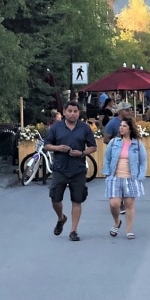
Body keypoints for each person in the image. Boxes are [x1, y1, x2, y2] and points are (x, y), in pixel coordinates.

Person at [44, 101, 98, 242]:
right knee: (55, 199)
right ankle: (61, 218)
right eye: (70, 111)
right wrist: (58, 148)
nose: (73, 113)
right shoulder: (56, 128)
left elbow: (93, 147)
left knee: (77, 200)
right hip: (60, 168)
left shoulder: (84, 128)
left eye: (75, 111)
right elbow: (46, 145)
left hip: (78, 169)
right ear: (64, 112)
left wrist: (81, 153)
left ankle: (73, 231)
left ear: (78, 113)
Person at [103, 117, 146, 239]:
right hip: (115, 177)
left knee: (129, 204)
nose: (121, 128)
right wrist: (107, 172)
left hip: (131, 178)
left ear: (130, 128)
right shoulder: (114, 142)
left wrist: (140, 176)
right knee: (114, 204)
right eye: (120, 126)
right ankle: (117, 221)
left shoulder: (137, 143)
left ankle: (129, 230)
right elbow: (107, 158)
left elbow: (143, 161)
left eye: (124, 126)